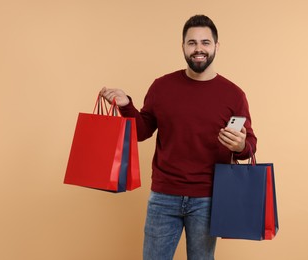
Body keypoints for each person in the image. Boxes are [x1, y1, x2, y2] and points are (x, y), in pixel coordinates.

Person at [100, 14, 257, 260]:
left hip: (208, 197)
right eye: (192, 43)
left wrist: (240, 146)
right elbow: (142, 132)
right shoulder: (162, 87)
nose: (199, 49)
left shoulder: (234, 94)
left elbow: (250, 146)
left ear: (216, 46)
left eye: (205, 42)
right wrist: (126, 105)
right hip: (164, 196)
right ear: (183, 46)